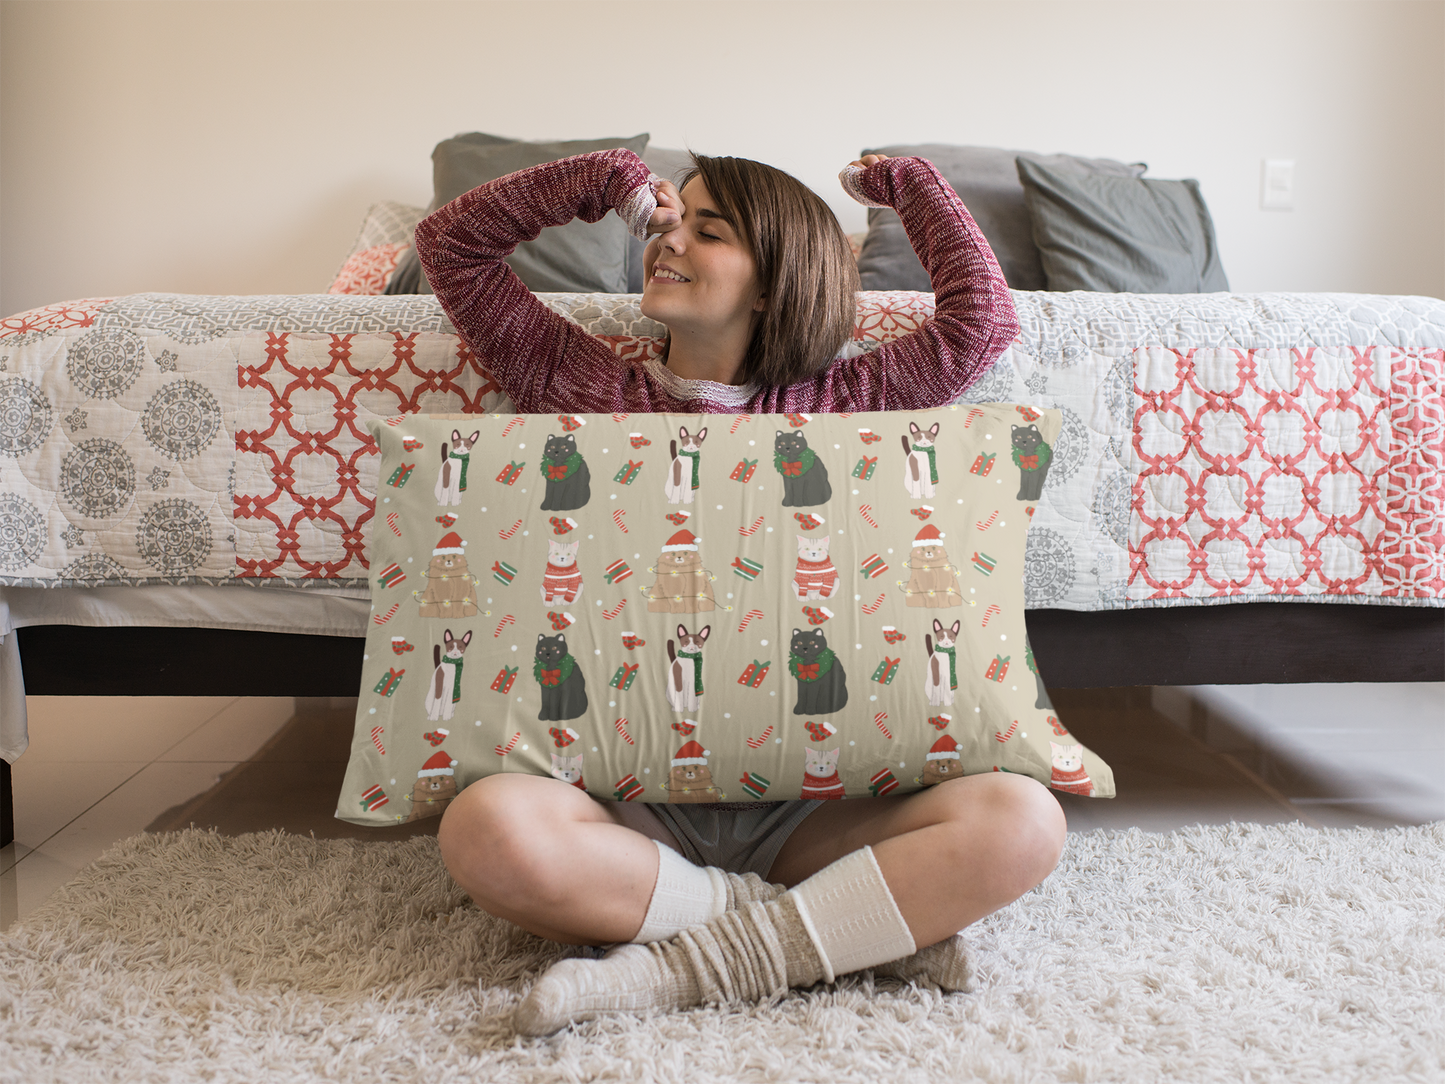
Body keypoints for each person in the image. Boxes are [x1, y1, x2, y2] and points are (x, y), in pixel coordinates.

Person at [415, 148, 1067, 1036]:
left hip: (814, 807)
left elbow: (983, 321)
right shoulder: (582, 384)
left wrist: (908, 187)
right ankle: (847, 933)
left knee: (1023, 818)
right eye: (667, 218)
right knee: (483, 830)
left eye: (706, 228)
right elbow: (451, 247)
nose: (664, 238)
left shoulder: (851, 400)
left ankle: (664, 971)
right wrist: (592, 184)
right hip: (624, 800)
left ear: (773, 283)